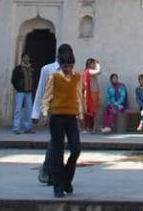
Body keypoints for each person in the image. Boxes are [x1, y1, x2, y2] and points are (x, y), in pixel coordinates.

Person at [38, 46, 82, 199]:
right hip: (57, 116)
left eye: (70, 66)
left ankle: (66, 179)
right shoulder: (54, 77)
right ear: (61, 65)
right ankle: (58, 184)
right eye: (65, 67)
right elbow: (47, 97)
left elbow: (78, 96)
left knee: (76, 148)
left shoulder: (77, 77)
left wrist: (80, 115)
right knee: (58, 152)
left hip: (71, 117)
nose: (68, 69)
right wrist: (44, 113)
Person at [30, 45, 69, 185]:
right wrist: (36, 113)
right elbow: (41, 91)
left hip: (67, 110)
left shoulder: (69, 70)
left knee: (58, 142)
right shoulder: (47, 69)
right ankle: (47, 169)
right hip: (53, 110)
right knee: (55, 141)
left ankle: (52, 171)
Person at [10, 54, 36, 135]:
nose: (26, 58)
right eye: (25, 57)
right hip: (20, 91)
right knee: (18, 109)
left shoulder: (31, 69)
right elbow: (13, 80)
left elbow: (33, 79)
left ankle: (27, 127)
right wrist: (18, 87)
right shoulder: (18, 68)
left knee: (29, 110)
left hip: (29, 91)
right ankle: (16, 127)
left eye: (28, 57)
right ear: (22, 58)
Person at [80, 59, 101, 132]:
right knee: (89, 110)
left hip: (94, 93)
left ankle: (90, 127)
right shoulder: (88, 71)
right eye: (93, 64)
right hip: (90, 94)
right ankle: (87, 127)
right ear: (89, 64)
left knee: (93, 111)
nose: (94, 65)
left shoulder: (89, 72)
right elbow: (99, 71)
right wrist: (98, 64)